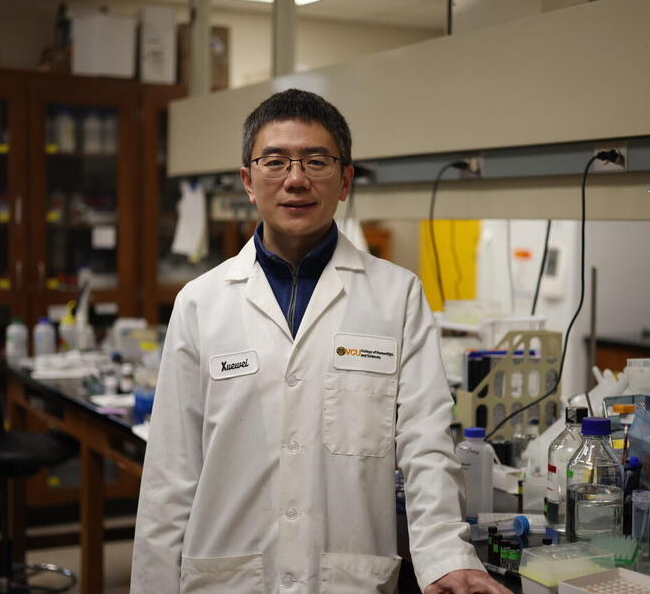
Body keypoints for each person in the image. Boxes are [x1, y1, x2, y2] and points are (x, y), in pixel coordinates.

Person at [131, 89, 509, 594]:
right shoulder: (200, 302)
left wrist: (445, 554)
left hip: (346, 578)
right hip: (228, 578)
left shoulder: (396, 296)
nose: (295, 179)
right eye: (275, 161)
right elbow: (169, 474)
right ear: (248, 180)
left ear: (346, 180)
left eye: (316, 161)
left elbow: (425, 441)